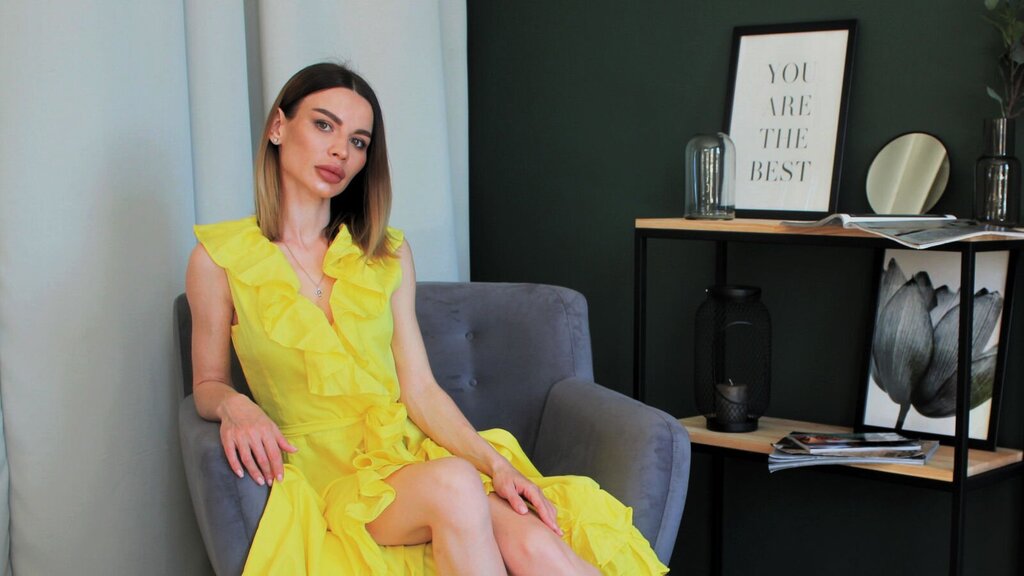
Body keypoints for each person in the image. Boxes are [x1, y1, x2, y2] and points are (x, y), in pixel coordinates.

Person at [186, 62, 668, 575]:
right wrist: (235, 405)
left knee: (537, 545)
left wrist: (497, 466)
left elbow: (419, 388)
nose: (341, 151)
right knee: (456, 484)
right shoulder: (219, 259)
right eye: (324, 125)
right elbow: (207, 382)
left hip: (408, 456)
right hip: (327, 477)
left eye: (358, 141)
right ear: (278, 127)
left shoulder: (387, 254)